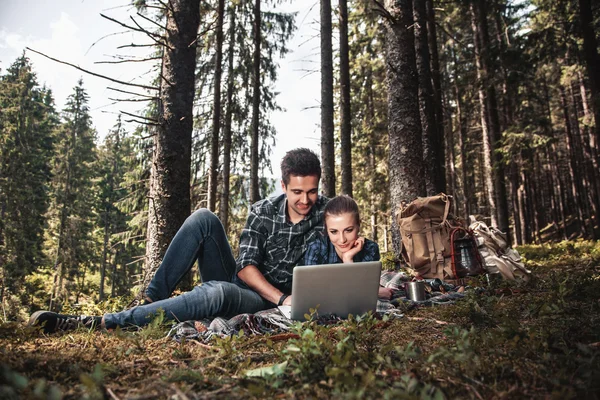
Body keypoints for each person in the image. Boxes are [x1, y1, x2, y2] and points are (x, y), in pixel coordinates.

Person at [29, 148, 328, 333]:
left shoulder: (328, 213)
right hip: (255, 291)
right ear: (283, 186)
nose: (305, 200)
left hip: (274, 306)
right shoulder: (263, 211)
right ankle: (150, 302)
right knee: (203, 219)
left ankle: (107, 322)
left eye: (312, 191)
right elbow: (245, 267)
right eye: (297, 192)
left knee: (216, 294)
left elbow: (349, 250)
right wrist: (280, 298)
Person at [303, 195, 396, 300]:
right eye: (334, 232)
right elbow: (311, 293)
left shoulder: (370, 249)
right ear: (326, 230)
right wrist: (374, 292)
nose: (342, 240)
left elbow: (361, 295)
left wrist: (348, 259)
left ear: (358, 226)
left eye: (348, 230)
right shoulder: (316, 249)